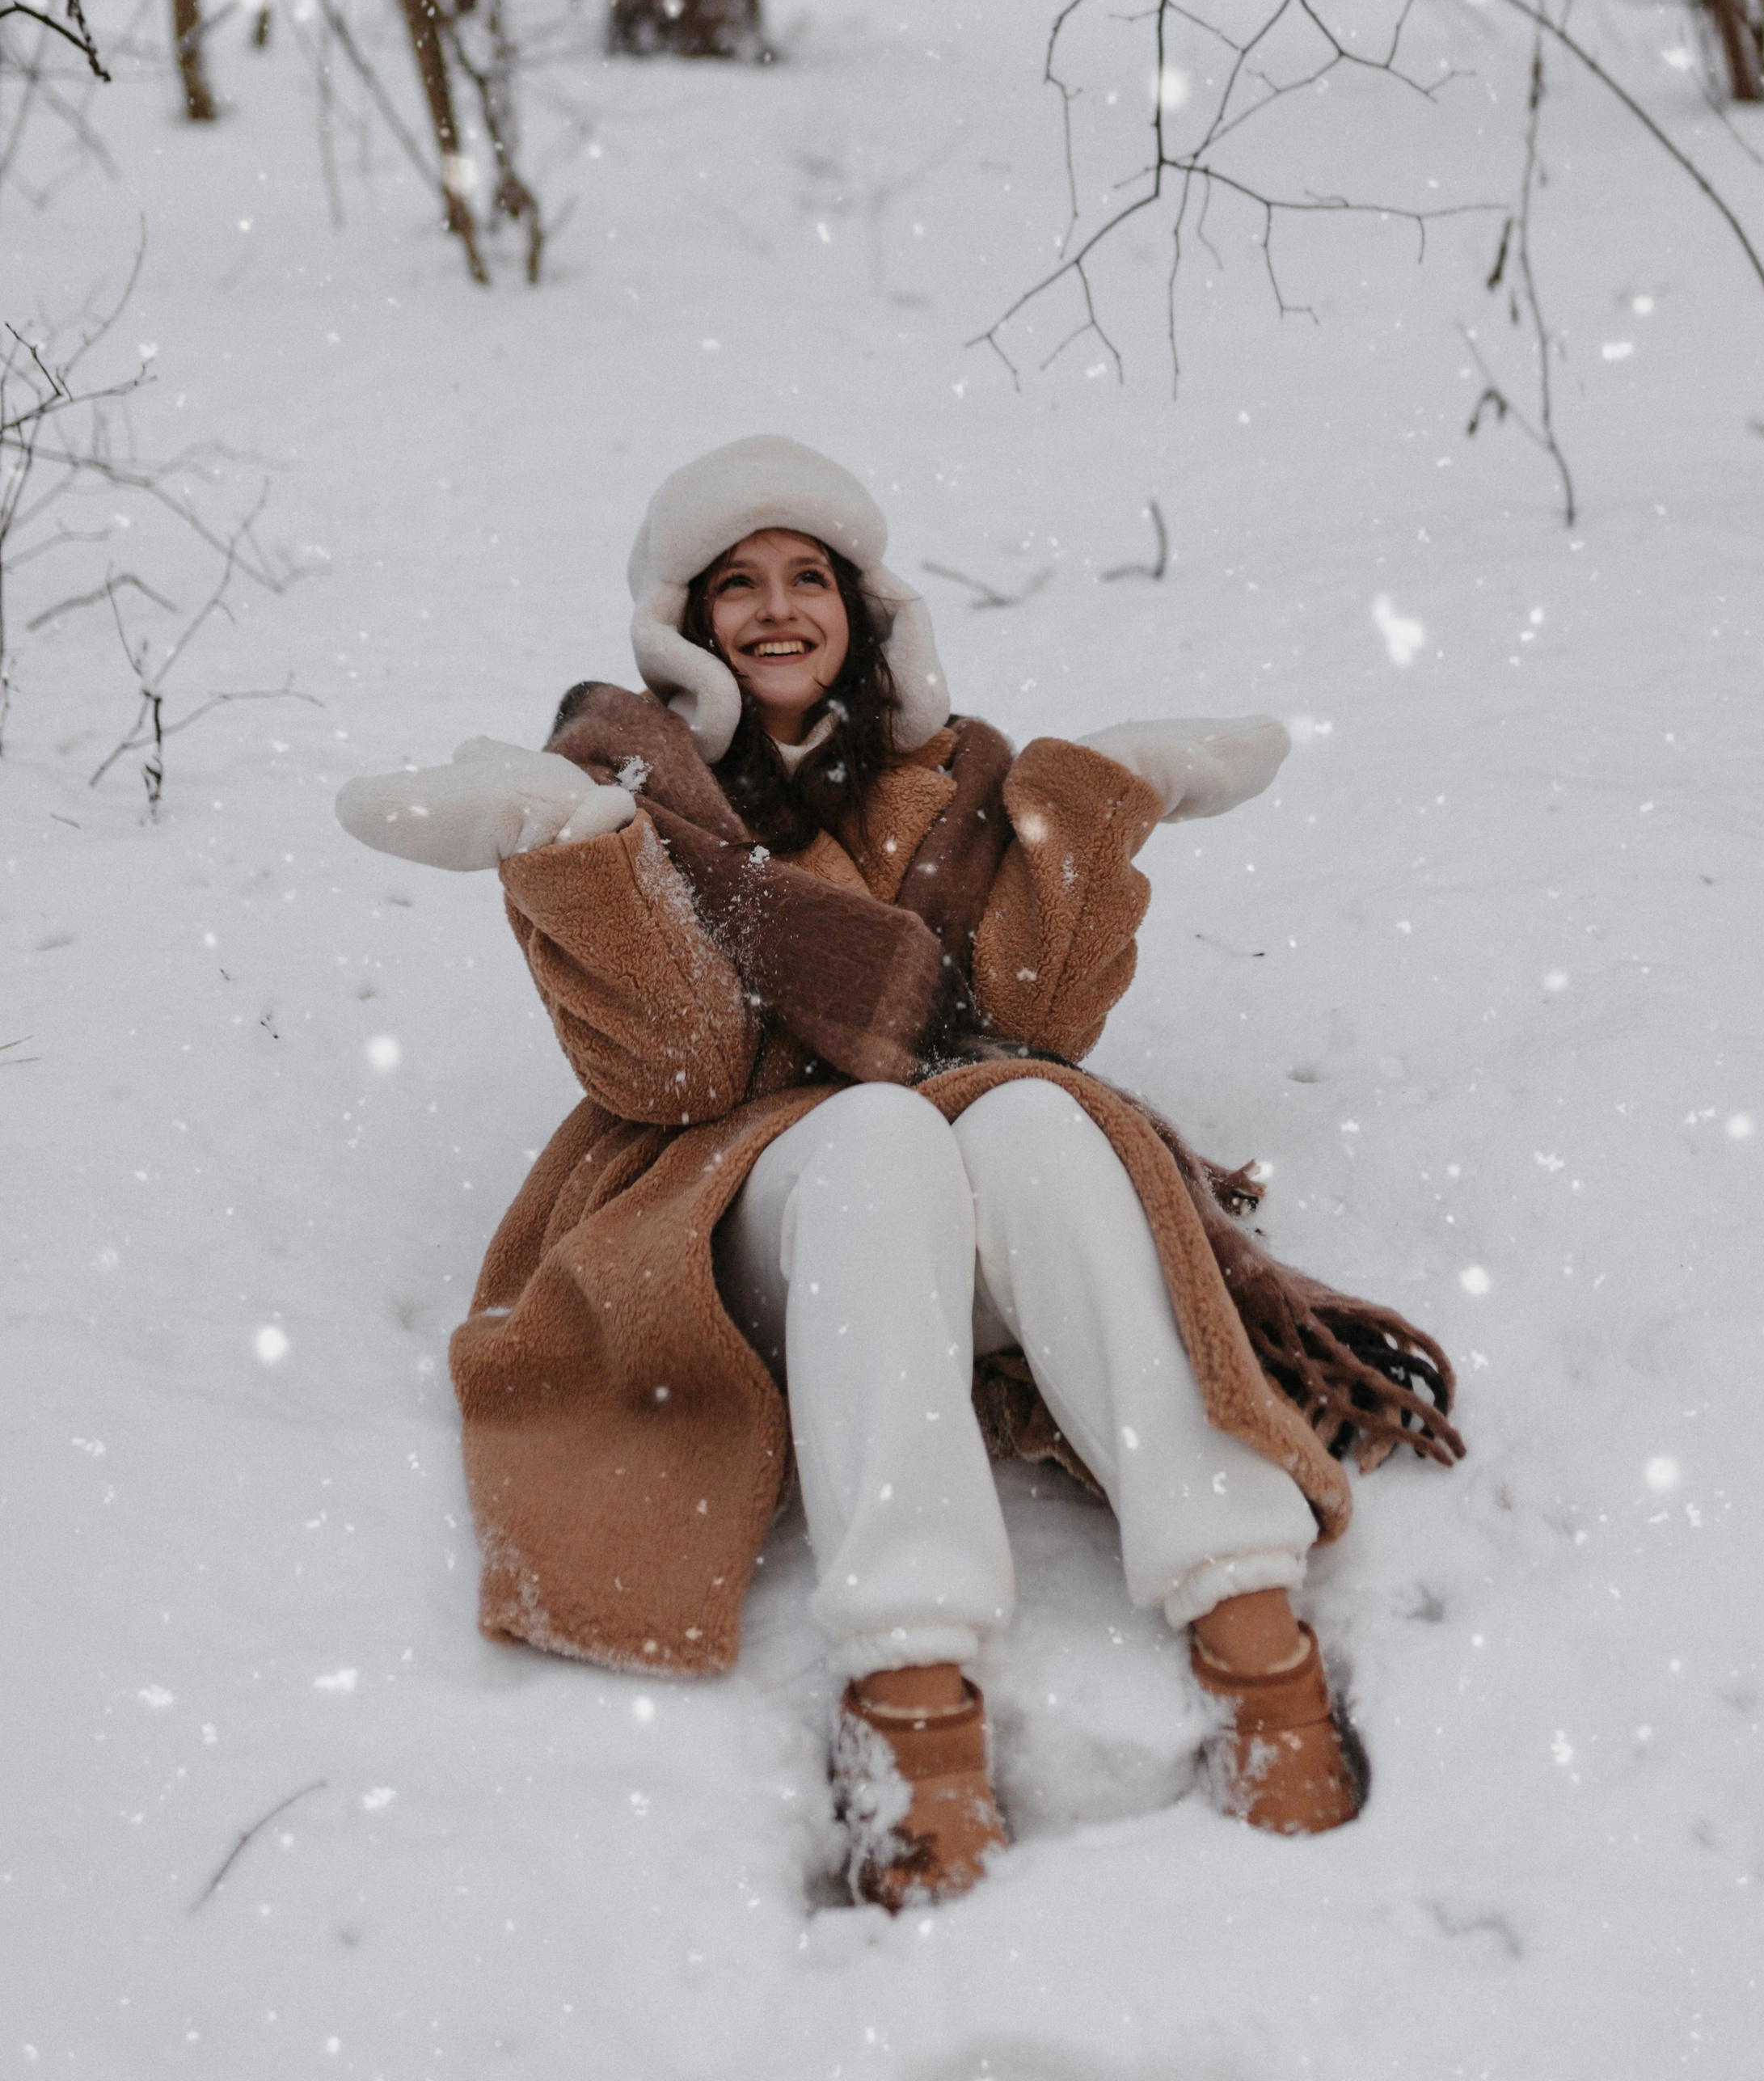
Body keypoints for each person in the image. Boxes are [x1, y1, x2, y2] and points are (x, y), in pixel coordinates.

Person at [337, 436, 1460, 1909]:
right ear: (686, 621)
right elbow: (675, 1071)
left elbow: (1028, 1024)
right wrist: (589, 858)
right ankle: (911, 1693)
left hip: (957, 1210)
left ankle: (1245, 1609)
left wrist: (1096, 802)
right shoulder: (628, 781)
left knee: (1041, 1115)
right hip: (742, 1228)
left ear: (866, 609)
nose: (780, 608)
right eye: (737, 584)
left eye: (812, 576)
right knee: (870, 1132)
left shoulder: (951, 780)